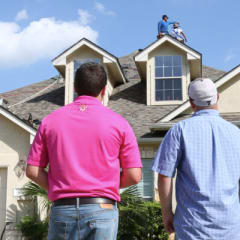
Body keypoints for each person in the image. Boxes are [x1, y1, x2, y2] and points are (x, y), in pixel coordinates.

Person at [26, 62, 142, 240]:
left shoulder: (50, 121)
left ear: (74, 87)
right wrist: (103, 186)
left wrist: (60, 188)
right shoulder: (119, 124)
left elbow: (33, 171)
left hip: (63, 208)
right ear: (104, 90)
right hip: (102, 208)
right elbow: (134, 176)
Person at [152, 78, 240, 240]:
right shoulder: (236, 133)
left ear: (191, 103)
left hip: (192, 228)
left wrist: (166, 214)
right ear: (218, 97)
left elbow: (164, 176)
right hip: (231, 228)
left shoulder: (179, 131)